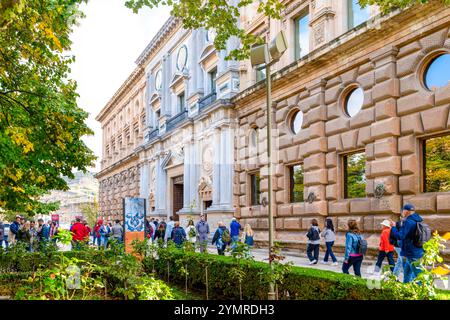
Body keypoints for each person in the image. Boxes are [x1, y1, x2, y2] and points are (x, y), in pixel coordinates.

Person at [391, 204, 427, 283]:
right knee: (407, 273)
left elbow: (400, 236)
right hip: (415, 250)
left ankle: (426, 292)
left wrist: (393, 227)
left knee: (419, 275)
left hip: (411, 252)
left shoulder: (409, 222)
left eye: (403, 210)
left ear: (406, 211)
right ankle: (406, 289)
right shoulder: (418, 220)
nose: (402, 212)